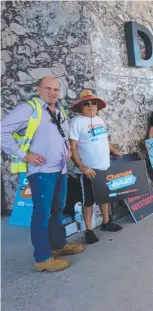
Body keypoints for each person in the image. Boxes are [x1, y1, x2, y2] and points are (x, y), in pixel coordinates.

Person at [1, 76, 84, 272]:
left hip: (60, 170)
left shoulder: (58, 109)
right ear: (38, 89)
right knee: (42, 215)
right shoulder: (29, 109)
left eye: (56, 89)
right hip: (41, 173)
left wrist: (68, 150)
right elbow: (2, 130)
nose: (53, 92)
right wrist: (25, 155)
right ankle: (43, 258)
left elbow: (60, 135)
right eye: (48, 88)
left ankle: (58, 245)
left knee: (57, 211)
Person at [69, 89, 124, 244]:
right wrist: (82, 167)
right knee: (88, 200)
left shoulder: (99, 120)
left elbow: (104, 139)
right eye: (87, 103)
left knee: (103, 196)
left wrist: (114, 151)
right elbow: (72, 147)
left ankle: (106, 222)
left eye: (93, 103)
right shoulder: (77, 121)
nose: (91, 106)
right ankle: (89, 230)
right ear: (81, 107)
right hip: (89, 170)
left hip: (104, 166)